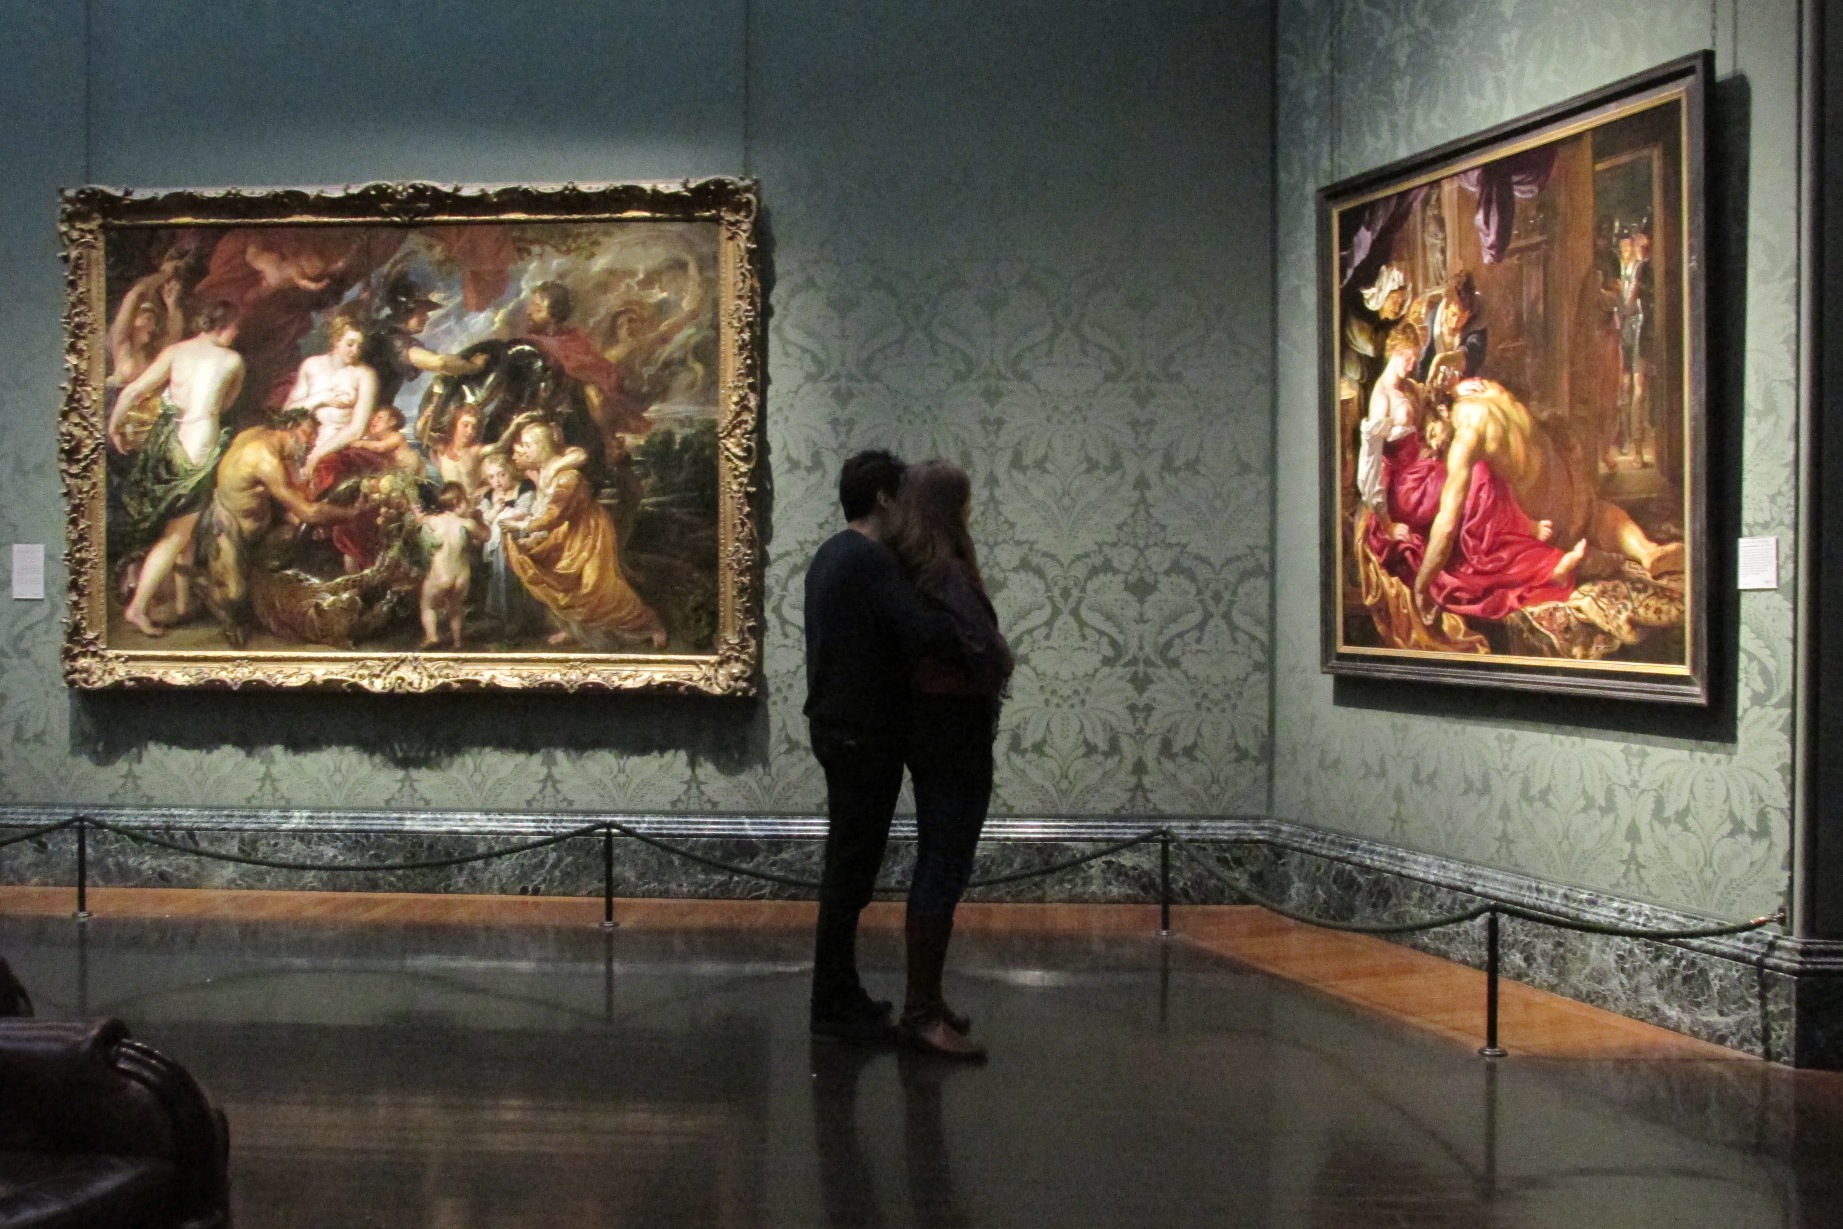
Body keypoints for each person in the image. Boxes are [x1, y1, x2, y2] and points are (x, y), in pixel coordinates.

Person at [803, 451, 971, 1046]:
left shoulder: (832, 552)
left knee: (846, 868)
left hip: (838, 725)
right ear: (883, 497)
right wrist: (967, 634)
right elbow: (922, 631)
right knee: (851, 873)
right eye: (902, 494)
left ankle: (840, 993)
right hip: (862, 732)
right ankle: (832, 1004)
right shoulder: (869, 558)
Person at [884, 461, 1013, 1060]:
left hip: (936, 725)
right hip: (953, 727)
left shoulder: (914, 569)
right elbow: (984, 647)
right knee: (944, 862)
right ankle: (920, 1011)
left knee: (943, 860)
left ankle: (928, 1001)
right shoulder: (945, 574)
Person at [107, 300, 246, 637]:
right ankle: (138, 607)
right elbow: (226, 404)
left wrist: (114, 426)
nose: (237, 333)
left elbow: (133, 391)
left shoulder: (175, 352)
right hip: (198, 448)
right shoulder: (232, 360)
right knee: (178, 533)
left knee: (184, 529)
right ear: (224, 326)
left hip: (167, 446)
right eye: (235, 327)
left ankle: (183, 603)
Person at [502, 418, 667, 648]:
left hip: (588, 535)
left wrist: (522, 526)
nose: (521, 451)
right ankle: (575, 629)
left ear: (541, 447)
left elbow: (554, 514)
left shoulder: (568, 477)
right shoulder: (544, 470)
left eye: (527, 445)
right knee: (561, 584)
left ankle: (648, 624)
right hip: (564, 533)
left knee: (596, 589)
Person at [200, 407, 357, 645]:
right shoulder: (265, 458)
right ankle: (211, 597)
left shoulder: (262, 436)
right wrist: (351, 514)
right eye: (308, 434)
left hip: (258, 524)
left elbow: (279, 495)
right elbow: (308, 511)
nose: (312, 442)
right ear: (290, 428)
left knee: (291, 542)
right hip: (229, 527)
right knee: (234, 594)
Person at [284, 318, 380, 491]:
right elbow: (287, 412)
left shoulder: (365, 375)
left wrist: (317, 455)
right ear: (336, 340)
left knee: (325, 479)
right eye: (350, 344)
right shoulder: (311, 365)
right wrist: (321, 398)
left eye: (359, 346)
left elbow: (357, 429)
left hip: (338, 448)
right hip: (302, 445)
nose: (355, 351)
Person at [418, 482, 487, 649]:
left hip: (440, 576)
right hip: (461, 577)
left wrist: (417, 514)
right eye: (466, 500)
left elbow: (419, 522)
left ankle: (432, 636)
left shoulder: (433, 521)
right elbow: (485, 536)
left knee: (428, 605)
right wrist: (479, 519)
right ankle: (457, 641)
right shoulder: (467, 524)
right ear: (458, 502)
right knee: (455, 607)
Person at [476, 451, 538, 635]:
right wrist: (495, 510)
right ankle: (501, 617)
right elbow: (484, 518)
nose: (497, 481)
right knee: (500, 574)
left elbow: (525, 511)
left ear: (510, 471)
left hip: (520, 538)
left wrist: (504, 515)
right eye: (492, 477)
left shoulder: (524, 488)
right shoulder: (490, 496)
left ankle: (518, 618)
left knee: (514, 575)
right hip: (498, 544)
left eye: (502, 475)